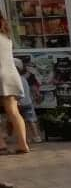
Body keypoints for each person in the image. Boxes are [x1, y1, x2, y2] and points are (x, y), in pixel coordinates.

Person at [0, 13, 29, 154]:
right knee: (14, 112)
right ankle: (23, 144)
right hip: (11, 75)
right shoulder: (6, 36)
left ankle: (1, 144)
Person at [15, 58, 42, 144]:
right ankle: (36, 136)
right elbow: (32, 88)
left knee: (22, 121)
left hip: (19, 103)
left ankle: (26, 138)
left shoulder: (16, 79)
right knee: (31, 120)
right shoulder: (24, 78)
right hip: (28, 102)